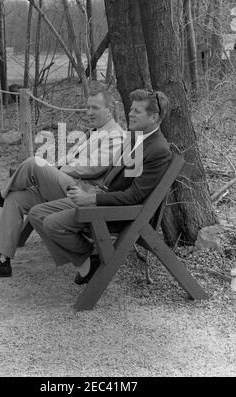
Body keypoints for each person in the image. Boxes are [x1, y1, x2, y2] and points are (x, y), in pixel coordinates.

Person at [0, 86, 124, 279]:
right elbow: (69, 159)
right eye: (87, 108)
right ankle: (1, 262)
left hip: (83, 191)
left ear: (109, 110)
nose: (89, 112)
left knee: (34, 163)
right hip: (68, 184)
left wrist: (57, 170)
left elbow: (94, 167)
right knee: (16, 197)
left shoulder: (116, 135)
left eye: (94, 108)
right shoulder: (92, 132)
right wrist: (52, 169)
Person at [27, 89, 172, 284]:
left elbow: (134, 196)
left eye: (137, 111)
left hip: (120, 213)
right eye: (131, 109)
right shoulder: (136, 137)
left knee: (52, 224)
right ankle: (88, 260)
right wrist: (91, 191)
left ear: (154, 117)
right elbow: (120, 177)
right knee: (37, 213)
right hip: (102, 197)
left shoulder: (157, 150)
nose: (130, 114)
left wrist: (92, 199)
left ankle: (90, 258)